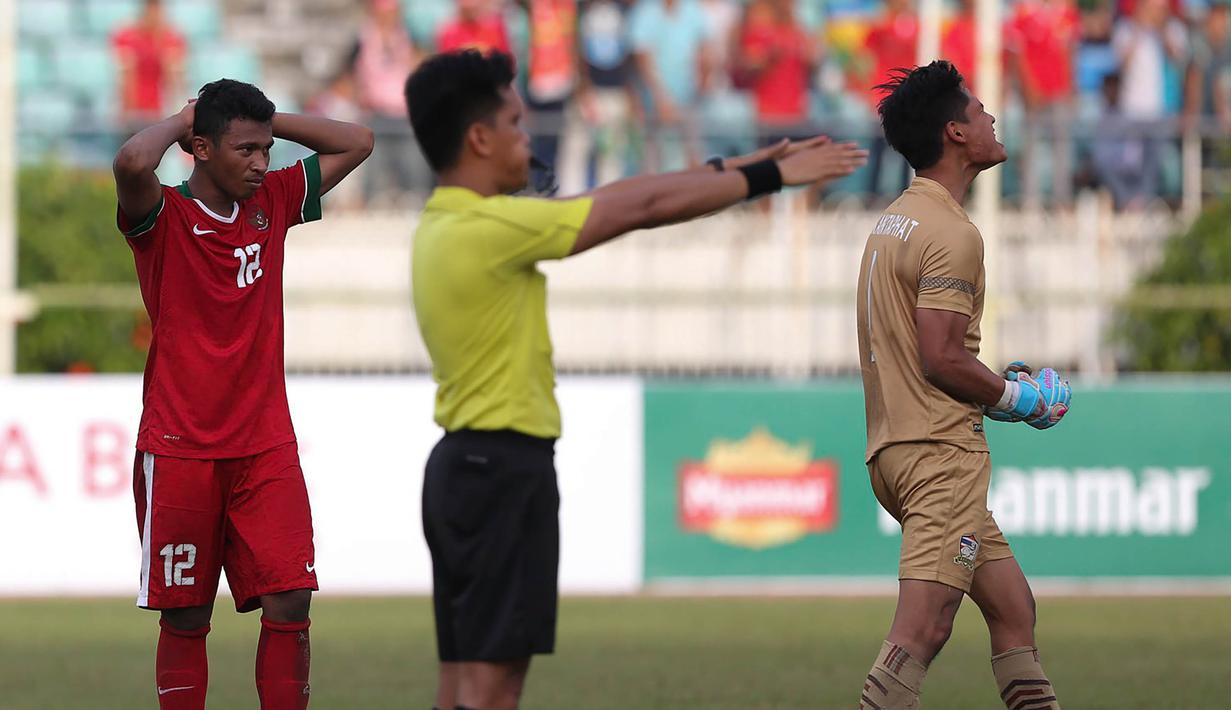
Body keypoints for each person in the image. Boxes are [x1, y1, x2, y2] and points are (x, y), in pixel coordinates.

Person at [405, 49, 865, 710]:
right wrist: (766, 176)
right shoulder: (485, 227)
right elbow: (636, 206)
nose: (525, 137)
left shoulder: (449, 225)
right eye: (514, 123)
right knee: (492, 686)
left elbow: (620, 197)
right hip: (501, 469)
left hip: (466, 469)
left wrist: (734, 167)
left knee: (459, 683)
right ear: (479, 138)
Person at [112, 79, 373, 709]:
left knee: (291, 596)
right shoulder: (162, 217)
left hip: (264, 444)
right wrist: (184, 118)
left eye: (266, 149)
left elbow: (358, 141)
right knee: (185, 614)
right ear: (199, 148)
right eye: (246, 151)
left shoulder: (274, 200)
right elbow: (130, 161)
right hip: (180, 449)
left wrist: (264, 121)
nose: (262, 164)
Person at [853, 61, 1071, 710]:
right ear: (955, 133)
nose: (991, 118)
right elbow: (940, 356)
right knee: (922, 630)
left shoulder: (893, 221)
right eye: (978, 111)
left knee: (1012, 609)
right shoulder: (953, 232)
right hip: (938, 455)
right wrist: (1017, 399)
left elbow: (926, 350)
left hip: (893, 447)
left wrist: (993, 385)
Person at [112, 0, 187, 129]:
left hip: (160, 109)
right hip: (134, 111)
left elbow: (176, 78)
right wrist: (126, 113)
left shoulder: (171, 38)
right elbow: (124, 76)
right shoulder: (126, 36)